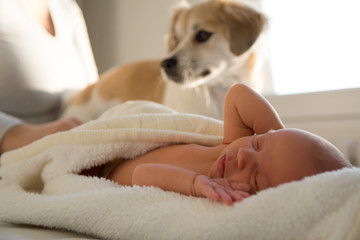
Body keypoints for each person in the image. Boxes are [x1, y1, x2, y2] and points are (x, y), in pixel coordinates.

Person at [82, 84, 351, 206]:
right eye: (258, 143)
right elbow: (238, 94)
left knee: (63, 132)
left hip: (101, 172)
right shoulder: (231, 147)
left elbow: (142, 174)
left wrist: (194, 183)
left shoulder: (207, 193)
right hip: (120, 134)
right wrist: (280, 136)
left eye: (256, 177)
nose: (244, 154)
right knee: (70, 128)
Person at [0, 0, 98, 154]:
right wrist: (14, 133)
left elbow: (91, 93)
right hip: (14, 157)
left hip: (71, 150)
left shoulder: (67, 9)